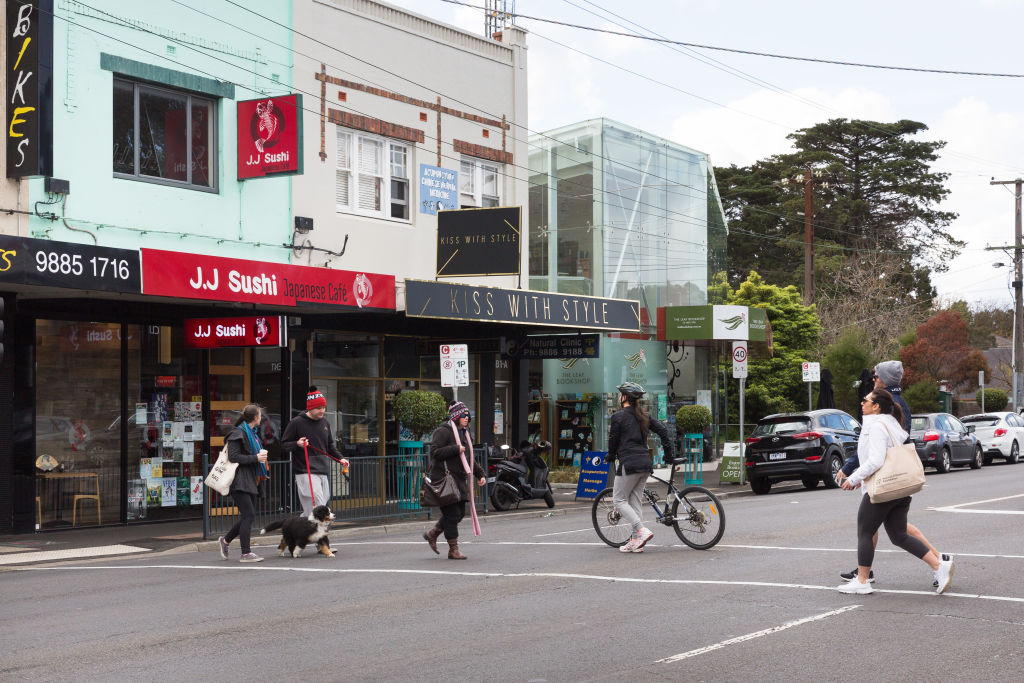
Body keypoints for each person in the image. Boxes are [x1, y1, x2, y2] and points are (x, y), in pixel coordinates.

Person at [837, 361, 949, 584]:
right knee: (899, 534)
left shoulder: (880, 420)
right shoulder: (893, 411)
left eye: (876, 376)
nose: (873, 379)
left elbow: (875, 456)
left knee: (866, 531)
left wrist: (853, 475)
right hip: (895, 483)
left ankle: (862, 579)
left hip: (884, 483)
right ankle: (939, 564)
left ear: (877, 404)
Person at [605, 382, 674, 553]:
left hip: (629, 464)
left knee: (619, 500)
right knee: (635, 501)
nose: (619, 397)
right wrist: (669, 455)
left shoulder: (618, 416)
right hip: (645, 463)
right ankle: (636, 541)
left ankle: (641, 531)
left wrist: (610, 455)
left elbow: (613, 441)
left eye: (620, 394)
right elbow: (663, 431)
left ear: (624, 397)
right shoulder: (644, 416)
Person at [423, 401, 486, 560]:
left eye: (468, 415)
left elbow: (469, 457)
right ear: (456, 416)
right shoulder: (443, 431)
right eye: (464, 415)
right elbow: (435, 452)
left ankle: (433, 533)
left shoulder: (464, 433)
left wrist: (481, 474)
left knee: (458, 514)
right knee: (452, 515)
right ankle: (453, 549)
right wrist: (455, 449)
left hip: (459, 480)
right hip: (445, 479)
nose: (467, 418)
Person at [281, 386, 348, 517]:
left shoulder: (325, 423)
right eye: (319, 408)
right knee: (319, 504)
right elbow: (284, 444)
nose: (322, 411)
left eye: (323, 407)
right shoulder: (296, 423)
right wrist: (297, 443)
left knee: (318, 504)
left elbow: (330, 446)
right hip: (305, 469)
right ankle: (319, 532)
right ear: (310, 408)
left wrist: (341, 458)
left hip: (322, 469)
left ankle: (305, 528)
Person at [218, 404, 270, 563]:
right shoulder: (237, 433)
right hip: (238, 480)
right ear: (256, 417)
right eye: (260, 415)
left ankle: (225, 540)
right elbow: (233, 457)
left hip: (251, 479)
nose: (261, 417)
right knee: (249, 515)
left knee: (249, 515)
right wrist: (256, 458)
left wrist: (259, 458)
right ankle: (246, 553)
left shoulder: (253, 434)